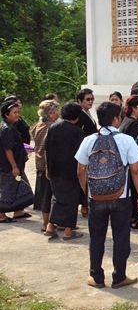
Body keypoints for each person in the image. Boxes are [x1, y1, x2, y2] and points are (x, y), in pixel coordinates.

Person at [75, 101, 138, 289]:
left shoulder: (89, 140)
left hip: (96, 197)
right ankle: (119, 276)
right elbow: (136, 169)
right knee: (121, 237)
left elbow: (81, 169)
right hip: (120, 196)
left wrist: (87, 190)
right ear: (116, 119)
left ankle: (96, 277)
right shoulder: (126, 140)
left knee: (96, 237)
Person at [44, 103, 85, 240]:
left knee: (57, 198)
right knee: (71, 200)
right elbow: (82, 155)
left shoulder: (53, 127)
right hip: (71, 171)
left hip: (54, 169)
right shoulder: (77, 132)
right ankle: (68, 230)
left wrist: (47, 168)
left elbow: (46, 149)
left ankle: (50, 226)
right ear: (77, 117)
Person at [0, 100, 32, 223]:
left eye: (18, 112)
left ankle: (18, 211)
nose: (18, 114)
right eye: (15, 112)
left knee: (21, 186)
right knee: (7, 189)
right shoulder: (7, 129)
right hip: (9, 166)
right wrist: (14, 166)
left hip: (16, 164)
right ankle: (1, 214)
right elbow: (8, 149)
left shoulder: (10, 126)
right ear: (7, 115)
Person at [30, 100, 59, 233]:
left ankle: (47, 223)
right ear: (49, 114)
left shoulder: (38, 125)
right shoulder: (49, 128)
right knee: (48, 196)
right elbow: (48, 150)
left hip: (40, 164)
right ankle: (47, 224)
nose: (56, 114)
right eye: (54, 111)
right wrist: (49, 167)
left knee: (45, 195)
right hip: (47, 166)